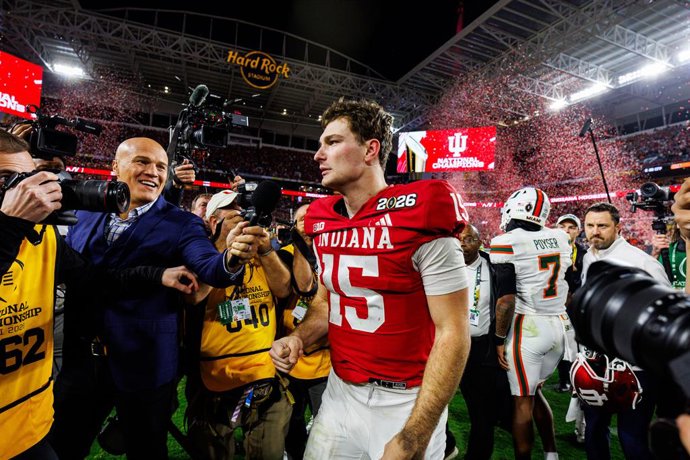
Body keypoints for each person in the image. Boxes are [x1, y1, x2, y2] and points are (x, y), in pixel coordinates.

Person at [270, 98, 471, 459]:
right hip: (340, 392)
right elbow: (329, 299)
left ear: (370, 149)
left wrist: (414, 435)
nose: (318, 154)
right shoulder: (322, 219)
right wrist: (300, 337)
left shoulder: (422, 211)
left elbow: (454, 332)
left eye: (332, 142)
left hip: (407, 400)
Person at [49, 137, 261, 460]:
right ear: (115, 167)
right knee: (62, 447)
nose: (154, 172)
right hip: (82, 362)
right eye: (143, 162)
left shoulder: (182, 222)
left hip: (144, 365)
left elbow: (209, 266)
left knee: (147, 452)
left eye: (161, 166)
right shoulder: (86, 211)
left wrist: (230, 257)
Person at [0, 130, 198, 459]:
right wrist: (8, 224)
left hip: (27, 422)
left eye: (24, 178)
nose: (22, 190)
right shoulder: (20, 228)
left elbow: (97, 280)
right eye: (6, 178)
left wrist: (156, 274)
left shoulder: (45, 239)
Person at [183, 189, 293, 460]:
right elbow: (194, 296)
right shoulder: (198, 254)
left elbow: (283, 289)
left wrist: (266, 249)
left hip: (266, 378)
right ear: (212, 222)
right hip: (215, 382)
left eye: (243, 213)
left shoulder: (262, 255)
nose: (243, 218)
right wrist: (227, 255)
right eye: (233, 214)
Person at [579, 202, 669, 460]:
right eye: (590, 225)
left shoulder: (642, 263)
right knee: (594, 431)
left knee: (633, 439)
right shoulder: (589, 257)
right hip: (596, 365)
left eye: (602, 226)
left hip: (635, 368)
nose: (595, 232)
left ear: (618, 227)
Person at [490, 187, 574, 460]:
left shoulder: (506, 241)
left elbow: (505, 300)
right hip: (560, 326)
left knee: (522, 401)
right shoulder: (561, 237)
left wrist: (499, 339)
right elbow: (570, 284)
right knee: (535, 391)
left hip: (528, 326)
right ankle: (552, 454)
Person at [446, 224, 509, 460]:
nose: (463, 244)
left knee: (482, 415)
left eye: (470, 239)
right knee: (431, 405)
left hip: (479, 349)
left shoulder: (493, 266)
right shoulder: (439, 264)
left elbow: (507, 303)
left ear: (480, 242)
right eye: (459, 239)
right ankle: (445, 445)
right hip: (444, 347)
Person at [280, 204, 331, 460]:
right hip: (292, 357)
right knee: (293, 421)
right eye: (301, 220)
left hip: (325, 358)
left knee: (327, 423)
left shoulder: (334, 251)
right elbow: (304, 287)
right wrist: (301, 245)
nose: (307, 223)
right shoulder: (286, 253)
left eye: (312, 219)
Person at [555, 213, 585, 393]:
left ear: (578, 231)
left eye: (571, 227)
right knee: (559, 343)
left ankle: (579, 378)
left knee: (578, 344)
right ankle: (564, 379)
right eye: (562, 227)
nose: (566, 231)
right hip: (555, 305)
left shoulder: (585, 254)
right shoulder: (547, 252)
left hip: (577, 306)